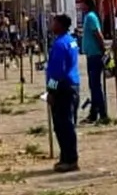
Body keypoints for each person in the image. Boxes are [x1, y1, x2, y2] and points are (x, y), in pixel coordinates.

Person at [46, 13, 80, 173]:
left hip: (62, 87)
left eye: (54, 22)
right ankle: (66, 156)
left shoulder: (60, 45)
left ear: (60, 25)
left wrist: (51, 91)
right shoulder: (71, 41)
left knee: (62, 125)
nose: (52, 25)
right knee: (68, 123)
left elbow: (57, 71)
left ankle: (70, 159)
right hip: (73, 85)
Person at [80, 0, 108, 125]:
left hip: (95, 55)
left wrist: (103, 50)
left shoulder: (91, 17)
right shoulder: (87, 17)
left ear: (87, 5)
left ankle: (102, 114)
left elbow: (98, 34)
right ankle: (94, 114)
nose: (80, 6)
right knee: (93, 86)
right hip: (91, 55)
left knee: (95, 86)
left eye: (82, 4)